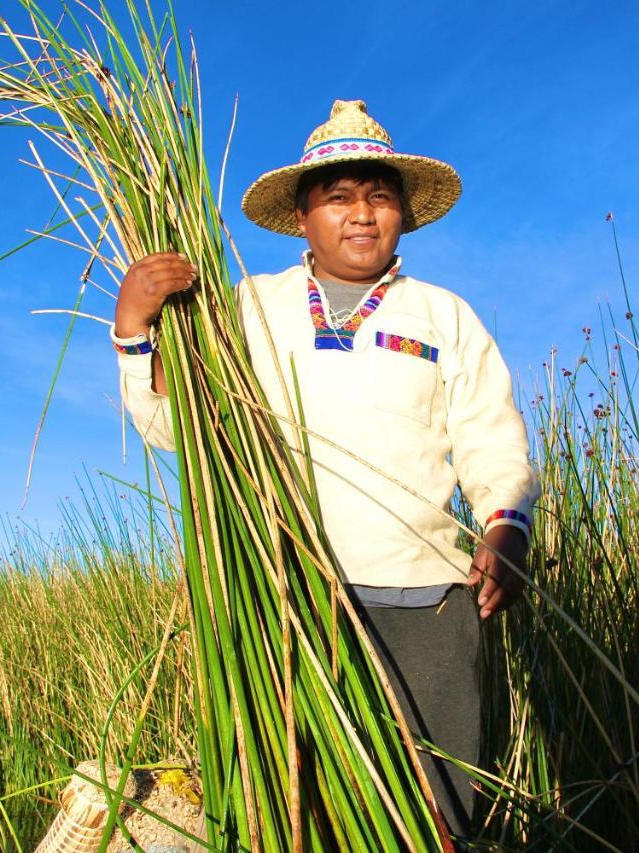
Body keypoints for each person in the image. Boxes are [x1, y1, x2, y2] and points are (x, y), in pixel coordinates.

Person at [112, 99, 539, 841]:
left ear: (403, 213)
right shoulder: (247, 307)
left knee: (437, 811)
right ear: (303, 218)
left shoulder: (445, 317)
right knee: (293, 812)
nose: (362, 214)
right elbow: (177, 427)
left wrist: (507, 527)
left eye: (379, 196)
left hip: (427, 606)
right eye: (338, 198)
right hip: (286, 600)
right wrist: (133, 326)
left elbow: (491, 441)